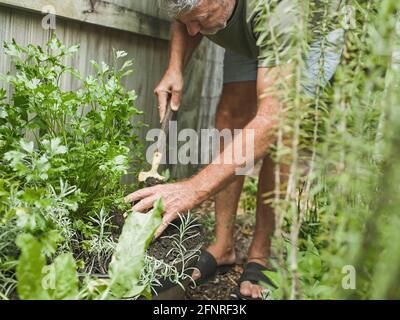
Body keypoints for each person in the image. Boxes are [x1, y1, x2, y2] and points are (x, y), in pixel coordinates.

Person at [125, 0, 343, 299]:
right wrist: (175, 67)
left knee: (281, 136)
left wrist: (195, 189)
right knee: (230, 116)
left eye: (200, 19)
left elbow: (271, 120)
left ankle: (259, 254)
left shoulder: (279, 12)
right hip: (246, 26)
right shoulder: (206, 11)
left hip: (310, 35)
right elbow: (185, 17)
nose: (193, 30)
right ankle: (223, 245)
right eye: (188, 21)